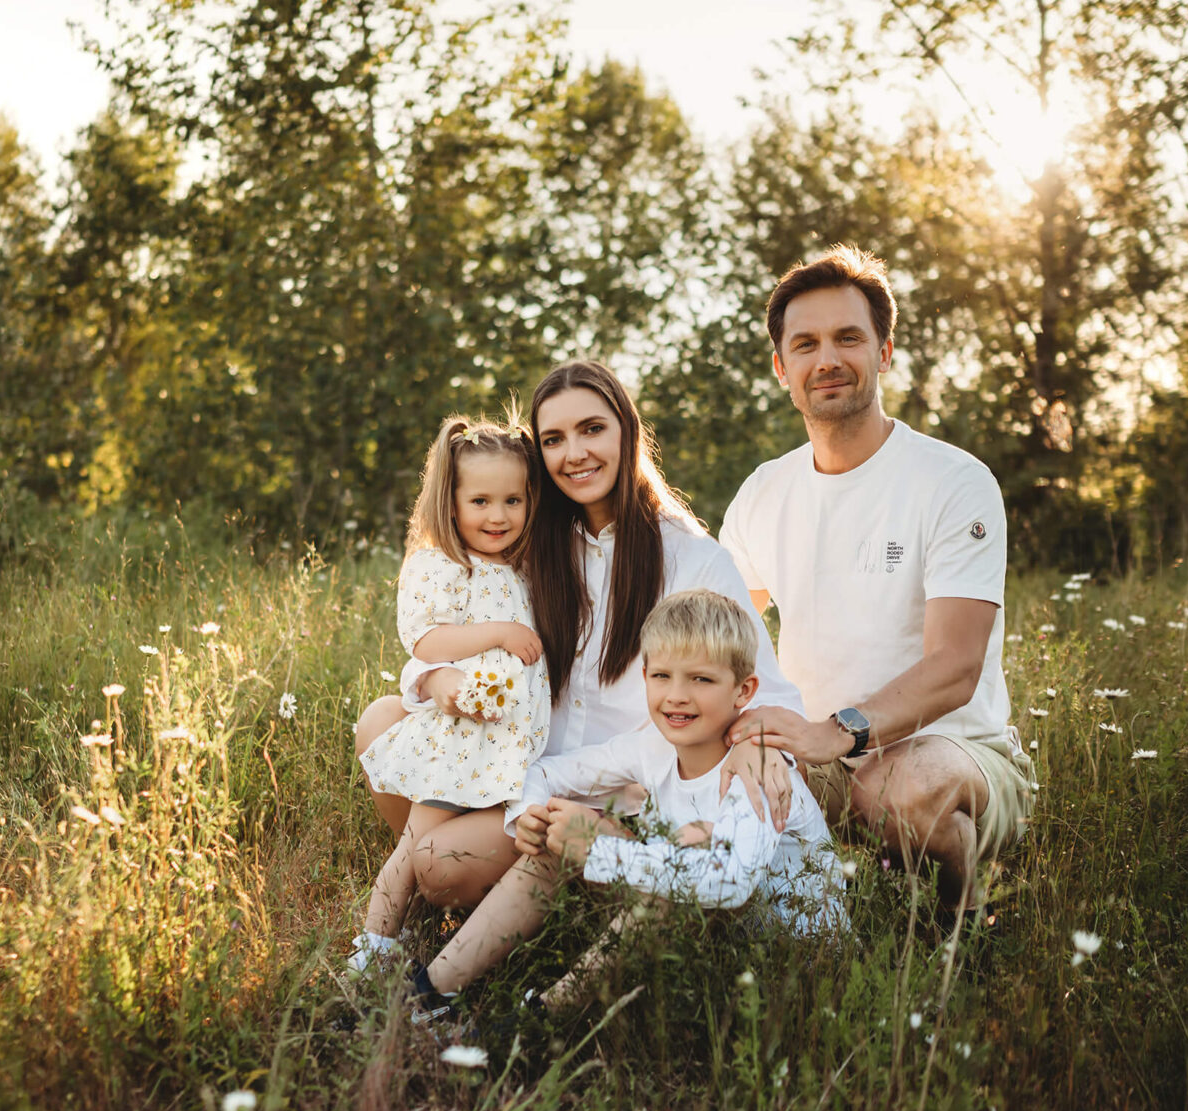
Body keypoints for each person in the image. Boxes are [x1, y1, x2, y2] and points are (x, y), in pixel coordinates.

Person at [352, 360, 805, 1010]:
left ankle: (511, 894)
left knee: (435, 861)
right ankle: (480, 889)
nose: (575, 452)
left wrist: (757, 738)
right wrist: (436, 674)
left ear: (626, 430)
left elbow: (757, 684)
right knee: (380, 721)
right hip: (525, 763)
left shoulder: (690, 557)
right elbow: (442, 638)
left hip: (613, 789)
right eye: (555, 439)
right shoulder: (534, 544)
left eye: (592, 428)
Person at [720, 244, 1036, 913]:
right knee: (706, 789)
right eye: (804, 344)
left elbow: (955, 667)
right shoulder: (762, 492)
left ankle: (968, 920)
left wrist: (839, 732)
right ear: (782, 368)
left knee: (899, 791)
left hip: (952, 749)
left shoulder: (952, 480)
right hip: (819, 756)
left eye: (848, 338)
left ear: (884, 352)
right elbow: (725, 641)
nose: (827, 359)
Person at [400, 589, 845, 1020]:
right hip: (709, 948)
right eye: (662, 676)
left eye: (702, 679)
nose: (677, 695)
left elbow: (728, 884)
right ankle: (432, 993)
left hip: (791, 970)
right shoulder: (652, 747)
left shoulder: (759, 768)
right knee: (561, 834)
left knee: (684, 861)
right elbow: (547, 772)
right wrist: (530, 814)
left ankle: (542, 1019)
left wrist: (596, 849)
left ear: (744, 691)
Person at [349, 416, 552, 974]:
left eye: (513, 500)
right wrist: (498, 634)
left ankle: (430, 921)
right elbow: (423, 638)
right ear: (451, 500)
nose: (498, 515)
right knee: (411, 849)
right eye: (481, 500)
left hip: (506, 746)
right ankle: (373, 950)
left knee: (431, 851)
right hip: (459, 744)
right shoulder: (443, 565)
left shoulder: (525, 565)